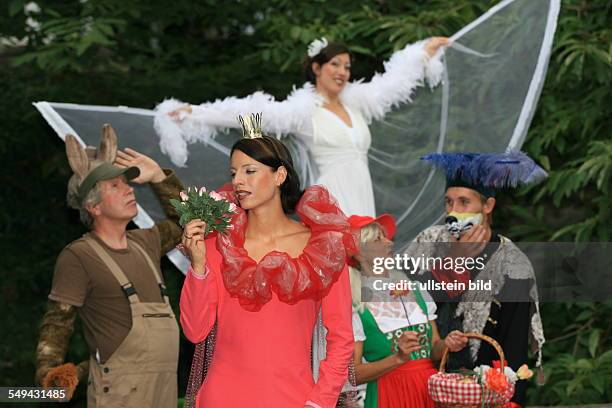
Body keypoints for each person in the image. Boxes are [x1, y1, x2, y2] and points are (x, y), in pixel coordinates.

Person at [154, 36, 449, 217]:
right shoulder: (302, 112)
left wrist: (422, 52)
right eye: (335, 64)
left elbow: (391, 86)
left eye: (347, 66)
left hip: (363, 192)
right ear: (317, 68)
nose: (342, 72)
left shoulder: (356, 103)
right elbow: (249, 113)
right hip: (332, 196)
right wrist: (195, 113)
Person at [178, 114, 356, 408]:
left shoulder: (322, 248)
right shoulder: (218, 245)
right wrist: (197, 268)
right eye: (234, 172)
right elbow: (195, 331)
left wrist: (320, 401)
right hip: (221, 398)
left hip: (294, 400)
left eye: (249, 171)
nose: (237, 181)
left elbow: (341, 339)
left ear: (279, 176)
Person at [35, 125, 184, 407]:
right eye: (115, 186)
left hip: (163, 389)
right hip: (118, 394)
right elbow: (57, 322)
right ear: (93, 206)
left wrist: (158, 176)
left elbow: (186, 222)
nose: (129, 189)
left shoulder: (146, 241)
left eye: (126, 183)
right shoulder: (79, 256)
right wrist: (50, 376)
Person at [405, 151, 547, 406]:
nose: (453, 211)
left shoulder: (512, 263)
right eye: (448, 202)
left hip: (484, 393)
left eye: (463, 202)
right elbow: (406, 304)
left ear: (487, 206)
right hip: (424, 385)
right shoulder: (427, 242)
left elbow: (514, 350)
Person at [347, 214, 467, 408]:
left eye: (386, 237)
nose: (388, 242)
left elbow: (434, 350)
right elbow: (353, 375)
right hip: (390, 396)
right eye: (378, 239)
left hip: (430, 393)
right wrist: (397, 359)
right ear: (359, 253)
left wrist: (447, 344)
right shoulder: (355, 306)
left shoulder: (414, 290)